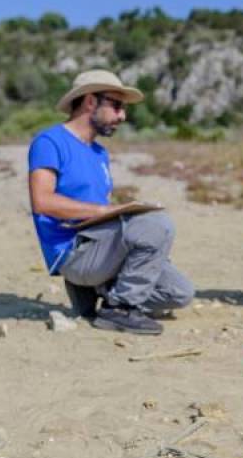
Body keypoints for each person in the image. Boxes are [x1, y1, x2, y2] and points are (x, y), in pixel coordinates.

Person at [28, 69, 193, 335]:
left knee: (179, 292)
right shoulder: (50, 141)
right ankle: (120, 308)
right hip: (73, 252)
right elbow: (42, 201)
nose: (122, 116)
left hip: (99, 247)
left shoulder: (99, 153)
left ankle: (98, 292)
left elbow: (97, 211)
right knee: (157, 225)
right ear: (90, 101)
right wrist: (108, 210)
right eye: (116, 106)